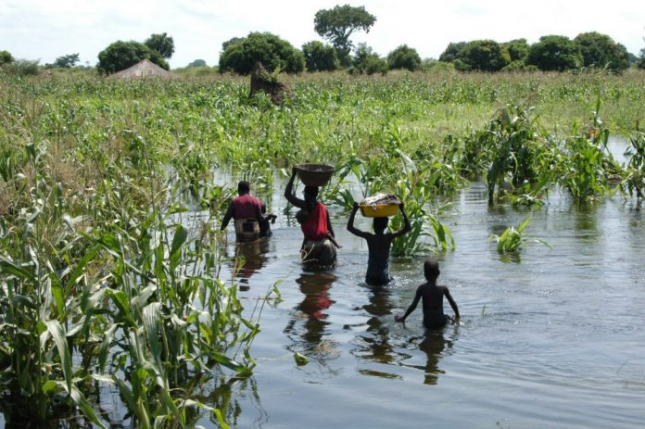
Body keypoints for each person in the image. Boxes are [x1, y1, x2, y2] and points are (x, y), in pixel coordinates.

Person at [347, 201, 411, 285]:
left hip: (370, 275)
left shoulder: (369, 237)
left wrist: (354, 210)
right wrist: (402, 210)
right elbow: (408, 227)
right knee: (390, 286)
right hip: (383, 276)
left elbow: (350, 227)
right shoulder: (388, 237)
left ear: (374, 225)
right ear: (386, 225)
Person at [284, 167, 337, 267]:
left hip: (310, 246)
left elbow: (287, 194)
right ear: (316, 194)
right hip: (326, 244)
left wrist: (294, 175)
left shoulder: (306, 206)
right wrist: (333, 247)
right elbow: (331, 230)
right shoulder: (323, 208)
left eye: (304, 193)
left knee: (308, 272)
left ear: (306, 194)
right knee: (327, 272)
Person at [395, 259, 460, 329]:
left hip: (427, 323)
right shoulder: (443, 288)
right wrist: (457, 315)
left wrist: (403, 317)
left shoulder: (421, 288)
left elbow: (413, 305)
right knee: (448, 317)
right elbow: (453, 303)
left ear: (425, 274)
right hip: (440, 321)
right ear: (438, 273)